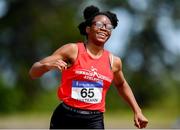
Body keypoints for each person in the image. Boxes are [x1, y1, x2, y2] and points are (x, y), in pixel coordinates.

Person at [29, 5, 148, 129]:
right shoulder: (72, 50)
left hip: (94, 120)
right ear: (88, 29)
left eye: (108, 27)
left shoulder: (114, 61)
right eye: (99, 25)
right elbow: (34, 71)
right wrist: (47, 66)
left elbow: (121, 84)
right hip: (66, 117)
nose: (104, 29)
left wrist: (137, 111)